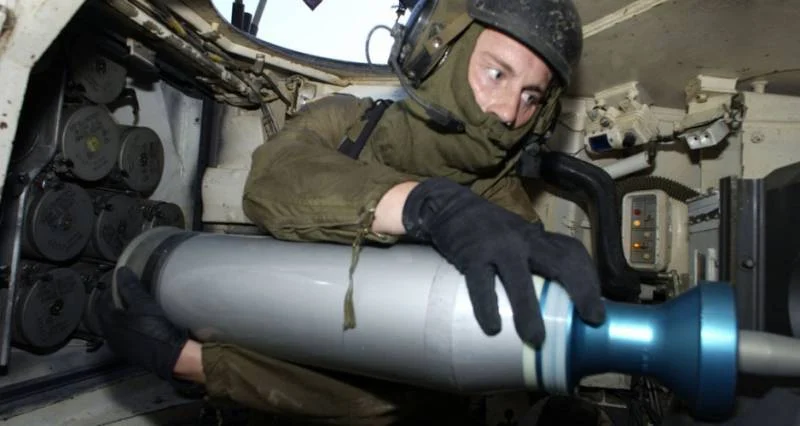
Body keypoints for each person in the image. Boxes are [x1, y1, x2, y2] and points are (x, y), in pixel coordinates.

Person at [98, 0, 607, 424]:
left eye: (531, 96)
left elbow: (401, 396)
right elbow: (272, 182)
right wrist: (423, 204)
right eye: (496, 73)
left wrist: (193, 364)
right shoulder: (348, 122)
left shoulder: (512, 231)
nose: (508, 112)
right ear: (437, 53)